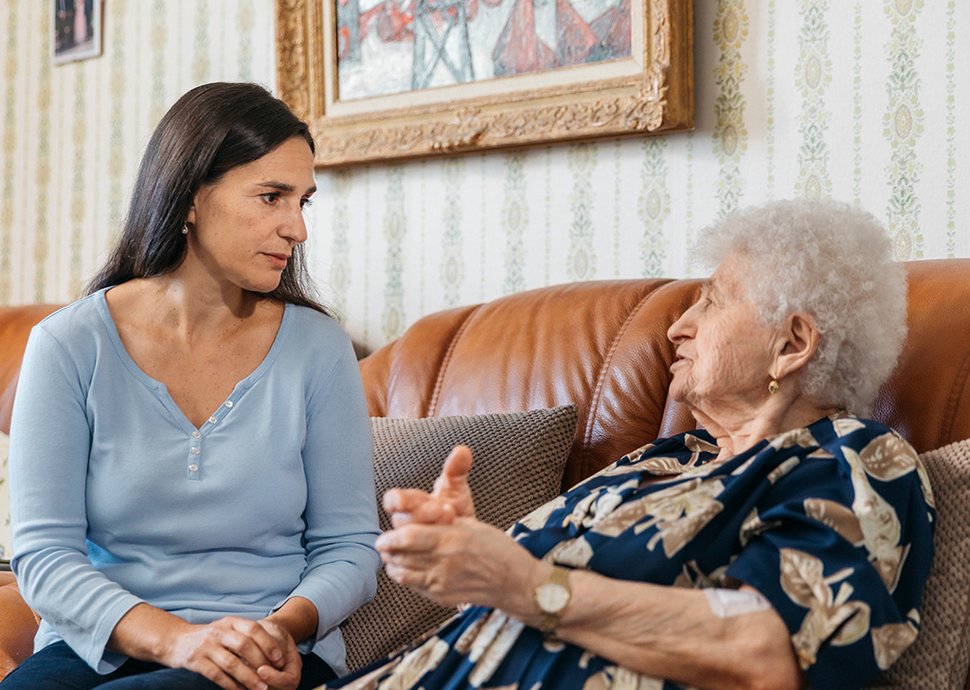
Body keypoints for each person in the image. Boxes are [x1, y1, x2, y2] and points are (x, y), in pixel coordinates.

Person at [325, 200, 935, 690]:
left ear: (792, 343)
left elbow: (767, 651)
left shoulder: (846, 460)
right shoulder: (664, 459)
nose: (678, 325)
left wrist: (526, 587)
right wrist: (464, 555)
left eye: (713, 300)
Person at [5, 82, 380, 690]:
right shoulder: (68, 345)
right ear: (189, 200)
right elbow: (45, 559)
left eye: (302, 203)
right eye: (271, 197)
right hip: (100, 645)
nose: (297, 229)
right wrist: (179, 640)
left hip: (264, 648)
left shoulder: (318, 349)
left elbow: (351, 549)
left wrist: (278, 632)